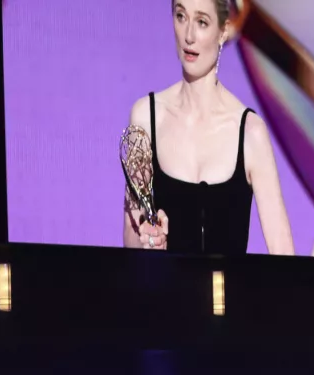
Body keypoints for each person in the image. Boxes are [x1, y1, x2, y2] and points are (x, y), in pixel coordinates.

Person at [123, 0, 294, 256]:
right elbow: (130, 238)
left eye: (202, 22)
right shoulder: (146, 117)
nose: (189, 35)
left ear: (223, 30)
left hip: (228, 296)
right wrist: (149, 240)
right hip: (164, 296)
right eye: (181, 16)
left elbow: (284, 258)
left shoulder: (249, 132)